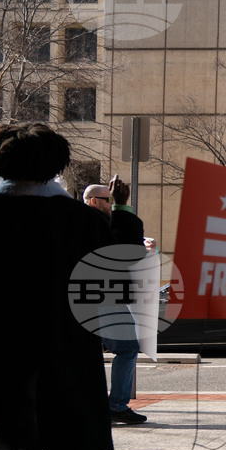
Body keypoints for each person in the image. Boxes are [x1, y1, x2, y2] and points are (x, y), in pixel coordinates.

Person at [0, 123, 114, 450]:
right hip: (68, 337)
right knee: (71, 414)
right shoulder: (86, 221)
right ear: (56, 165)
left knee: (2, 415)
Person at [83, 179, 147, 425]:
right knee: (128, 347)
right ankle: (116, 405)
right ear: (94, 201)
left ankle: (105, 406)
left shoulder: (93, 222)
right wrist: (122, 207)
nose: (111, 203)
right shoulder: (93, 223)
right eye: (107, 199)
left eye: (112, 199)